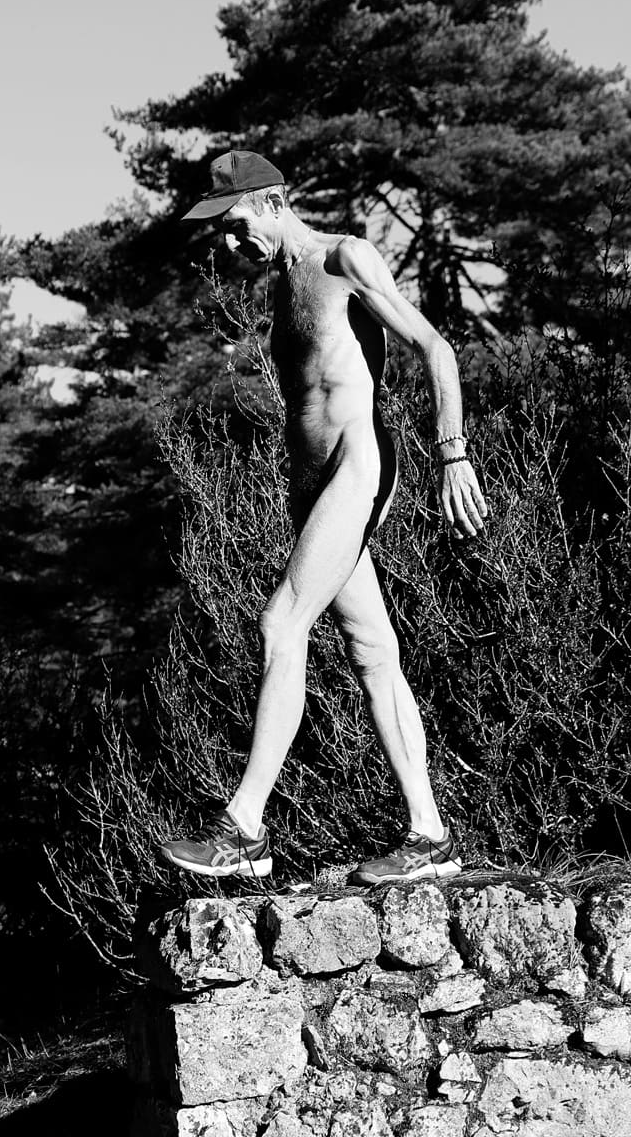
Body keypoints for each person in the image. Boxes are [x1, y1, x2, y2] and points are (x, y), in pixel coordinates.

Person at [160, 150, 487, 885]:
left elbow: (435, 348)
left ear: (275, 203)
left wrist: (452, 452)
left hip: (359, 467)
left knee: (281, 622)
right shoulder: (282, 285)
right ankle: (430, 835)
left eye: (237, 224)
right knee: (372, 649)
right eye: (220, 233)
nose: (229, 243)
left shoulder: (345, 258)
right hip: (311, 487)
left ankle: (244, 828)